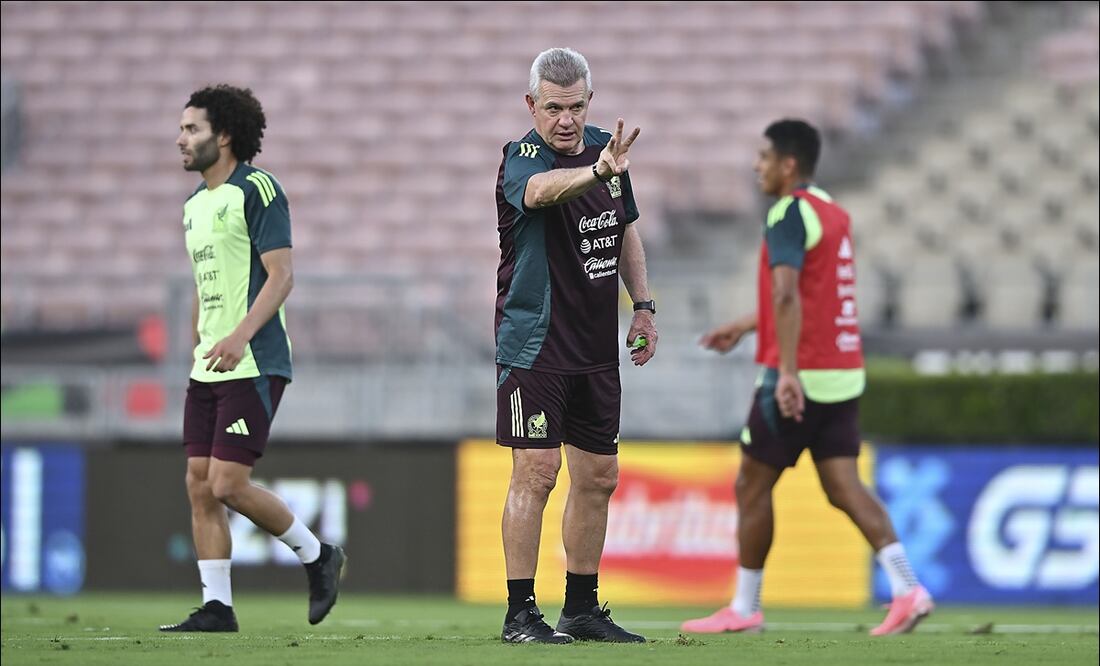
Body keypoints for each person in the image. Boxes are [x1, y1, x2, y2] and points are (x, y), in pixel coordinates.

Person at [682, 119, 933, 636]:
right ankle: (908, 588)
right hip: (841, 371)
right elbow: (813, 298)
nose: (757, 166)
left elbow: (787, 293)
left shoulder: (787, 212)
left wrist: (787, 372)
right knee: (843, 484)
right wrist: (747, 326)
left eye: (764, 157)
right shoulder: (833, 213)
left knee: (751, 483)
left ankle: (745, 607)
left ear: (788, 164)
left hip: (798, 376)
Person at [160, 84, 346, 632]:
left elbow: (282, 275)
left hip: (256, 360)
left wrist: (240, 335)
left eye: (191, 129)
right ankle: (217, 606)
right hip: (210, 364)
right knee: (198, 481)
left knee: (225, 483)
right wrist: (200, 340)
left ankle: (318, 555)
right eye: (181, 129)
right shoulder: (194, 206)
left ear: (224, 135)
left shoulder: (258, 189)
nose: (181, 139)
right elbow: (205, 285)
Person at [494, 48, 657, 644]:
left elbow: (626, 230)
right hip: (534, 345)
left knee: (599, 475)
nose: (566, 119)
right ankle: (519, 614)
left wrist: (642, 306)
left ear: (591, 102)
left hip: (595, 347)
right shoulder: (522, 156)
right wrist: (598, 171)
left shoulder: (607, 152)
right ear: (531, 105)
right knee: (536, 471)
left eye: (577, 107)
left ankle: (581, 609)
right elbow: (538, 193)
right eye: (554, 107)